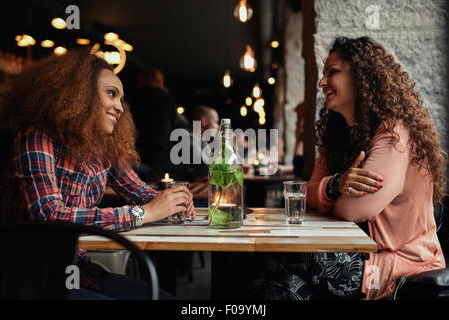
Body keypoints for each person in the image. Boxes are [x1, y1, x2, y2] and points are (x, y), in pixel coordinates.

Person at [251, 36, 446, 300]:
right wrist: (336, 185)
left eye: (332, 73)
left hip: (398, 265)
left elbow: (354, 208)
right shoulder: (338, 135)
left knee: (289, 252)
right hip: (357, 255)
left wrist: (331, 198)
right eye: (322, 74)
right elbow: (303, 194)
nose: (322, 83)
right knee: (275, 284)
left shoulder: (394, 134)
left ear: (362, 77)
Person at [0, 49, 196, 300]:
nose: (120, 107)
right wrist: (145, 213)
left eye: (121, 99)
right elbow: (50, 215)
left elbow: (139, 191)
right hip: (33, 279)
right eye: (111, 94)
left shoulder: (103, 146)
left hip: (79, 272)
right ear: (79, 94)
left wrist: (172, 200)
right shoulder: (38, 137)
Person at [150, 105, 219, 183]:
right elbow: (211, 169)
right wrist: (221, 144)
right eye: (216, 122)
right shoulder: (187, 138)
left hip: (178, 186)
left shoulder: (202, 141)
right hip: (159, 187)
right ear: (204, 121)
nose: (218, 127)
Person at [131, 67, 177, 168]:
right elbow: (173, 121)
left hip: (139, 140)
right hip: (162, 141)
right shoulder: (166, 97)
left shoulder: (136, 95)